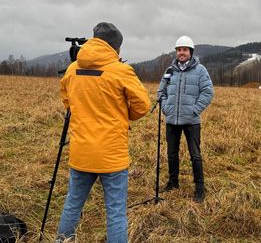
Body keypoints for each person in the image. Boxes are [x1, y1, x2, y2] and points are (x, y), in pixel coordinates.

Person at [56, 22, 150, 242]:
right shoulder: (121, 70)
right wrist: (122, 114)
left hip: (81, 152)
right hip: (111, 155)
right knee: (116, 212)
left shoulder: (72, 69)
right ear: (116, 47)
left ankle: (62, 240)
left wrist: (83, 112)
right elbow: (143, 106)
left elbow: (67, 101)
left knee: (72, 203)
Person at [158, 35, 214, 203]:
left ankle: (199, 188)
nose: (181, 52)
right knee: (171, 153)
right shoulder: (169, 71)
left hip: (191, 122)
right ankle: (173, 183)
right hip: (172, 121)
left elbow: (208, 92)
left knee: (195, 155)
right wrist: (166, 108)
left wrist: (194, 110)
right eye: (179, 50)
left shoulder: (200, 70)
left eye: (185, 50)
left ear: (190, 52)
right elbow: (161, 92)